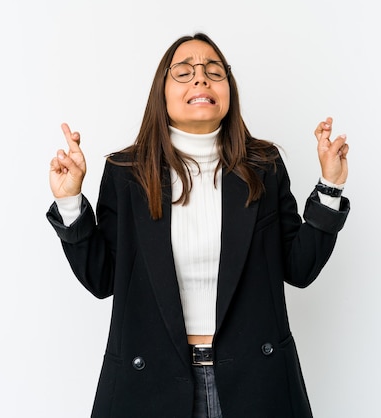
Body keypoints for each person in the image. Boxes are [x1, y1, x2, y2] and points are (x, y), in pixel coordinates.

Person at [47, 32, 350, 418]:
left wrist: (330, 186)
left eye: (213, 71)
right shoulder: (126, 173)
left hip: (256, 385)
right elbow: (101, 279)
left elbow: (300, 268)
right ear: (162, 92)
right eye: (184, 71)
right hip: (148, 388)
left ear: (228, 90)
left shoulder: (264, 166)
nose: (201, 79)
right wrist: (70, 200)